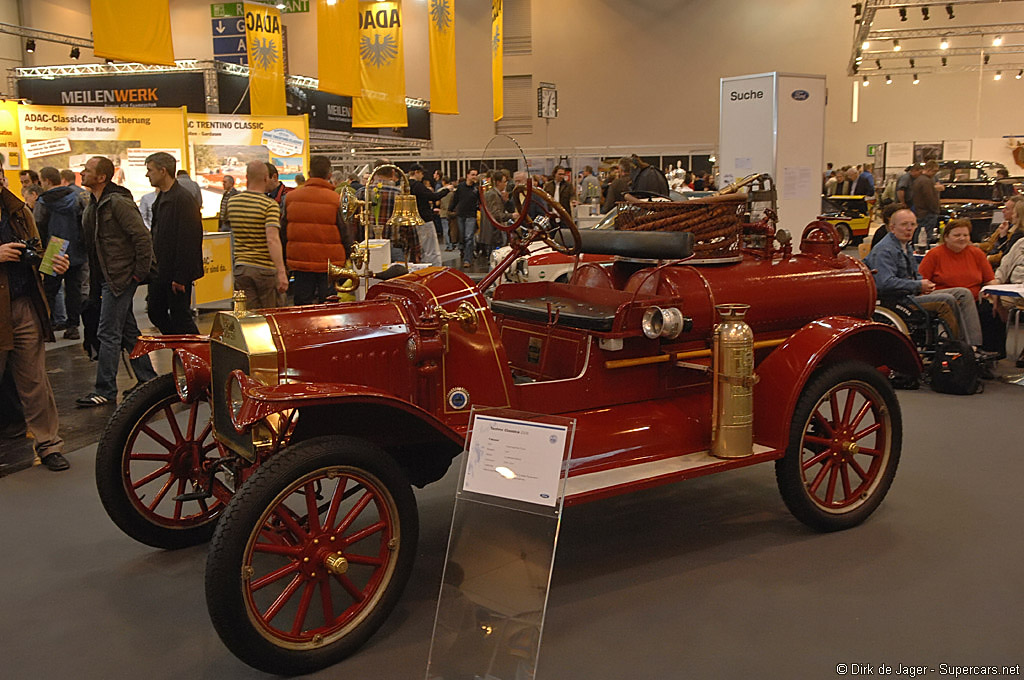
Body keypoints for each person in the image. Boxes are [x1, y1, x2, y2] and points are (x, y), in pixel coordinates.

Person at [0, 163, 71, 470]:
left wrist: (53, 264)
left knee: (35, 382)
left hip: (24, 304)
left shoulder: (19, 211)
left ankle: (48, 444)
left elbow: (37, 255)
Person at [76, 156, 157, 407]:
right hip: (108, 279)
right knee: (127, 330)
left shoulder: (117, 204)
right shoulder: (93, 204)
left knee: (108, 332)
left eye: (87, 170)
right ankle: (147, 377)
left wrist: (137, 274)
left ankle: (106, 390)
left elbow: (142, 239)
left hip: (120, 278)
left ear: (101, 177)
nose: (82, 173)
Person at [864, 207, 985, 352]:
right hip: (898, 300)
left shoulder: (905, 246)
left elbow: (916, 274)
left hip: (911, 294)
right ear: (892, 227)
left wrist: (924, 284)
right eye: (904, 225)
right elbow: (885, 283)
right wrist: (917, 286)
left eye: (912, 224)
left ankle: (974, 345)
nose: (909, 229)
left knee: (963, 293)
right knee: (946, 300)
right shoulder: (885, 250)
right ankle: (959, 348)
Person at [920, 218, 1002, 358]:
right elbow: (922, 281)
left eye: (965, 235)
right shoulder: (934, 255)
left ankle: (991, 356)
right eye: (957, 235)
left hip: (975, 299)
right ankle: (972, 348)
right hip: (947, 299)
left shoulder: (976, 254)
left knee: (992, 313)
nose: (962, 238)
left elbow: (990, 279)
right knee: (963, 296)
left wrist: (995, 298)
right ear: (946, 237)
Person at [145, 152, 204, 334]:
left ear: (163, 171)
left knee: (181, 317)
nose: (147, 175)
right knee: (156, 312)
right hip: (160, 270)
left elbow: (189, 240)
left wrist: (180, 277)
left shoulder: (183, 199)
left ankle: (197, 355)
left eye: (150, 170)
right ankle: (179, 347)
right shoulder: (162, 198)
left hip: (175, 273)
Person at [282, 155, 352, 305]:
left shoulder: (291, 198)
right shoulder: (335, 199)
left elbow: (283, 232)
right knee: (329, 304)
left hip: (300, 262)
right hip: (330, 264)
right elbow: (345, 232)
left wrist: (284, 261)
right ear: (329, 175)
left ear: (309, 173)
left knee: (302, 303)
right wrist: (348, 256)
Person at [226, 160, 288, 309]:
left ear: (247, 177)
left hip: (241, 268)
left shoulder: (232, 202)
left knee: (249, 318)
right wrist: (281, 271)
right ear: (266, 178)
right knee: (271, 318)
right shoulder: (269, 205)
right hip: (265, 270)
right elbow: (272, 239)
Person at [34, 166, 86, 340]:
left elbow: (38, 225)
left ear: (47, 181)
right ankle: (73, 326)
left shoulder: (43, 201)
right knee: (74, 290)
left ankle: (45, 325)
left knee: (49, 290)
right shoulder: (76, 197)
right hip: (75, 248)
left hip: (53, 248)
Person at [407, 163, 448, 266]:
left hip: (412, 221)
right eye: (421, 174)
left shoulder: (405, 185)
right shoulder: (417, 185)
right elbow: (434, 196)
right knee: (431, 248)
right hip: (424, 220)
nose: (422, 176)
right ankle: (434, 270)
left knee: (418, 248)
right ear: (416, 172)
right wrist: (447, 190)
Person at [977, 195, 1023, 267]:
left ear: (1017, 213)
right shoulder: (1005, 225)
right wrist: (975, 246)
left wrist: (986, 259)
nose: (1003, 211)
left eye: (1007, 209)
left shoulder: (1019, 234)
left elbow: (1006, 256)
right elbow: (990, 244)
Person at [450, 168, 480, 268]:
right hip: (461, 214)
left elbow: (480, 201)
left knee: (469, 237)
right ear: (467, 175)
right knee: (462, 237)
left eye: (475, 174)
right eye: (472, 174)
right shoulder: (460, 187)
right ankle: (463, 252)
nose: (474, 176)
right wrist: (451, 209)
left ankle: (467, 259)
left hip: (471, 215)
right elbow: (455, 199)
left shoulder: (477, 189)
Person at [911, 159, 943, 246]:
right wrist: (936, 209)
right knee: (925, 237)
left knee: (919, 234)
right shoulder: (926, 181)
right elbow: (930, 198)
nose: (935, 174)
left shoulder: (919, 180)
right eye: (934, 171)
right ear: (929, 169)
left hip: (920, 211)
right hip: (927, 213)